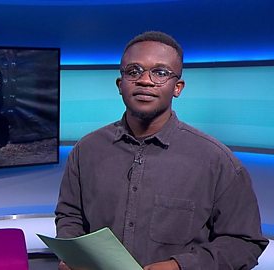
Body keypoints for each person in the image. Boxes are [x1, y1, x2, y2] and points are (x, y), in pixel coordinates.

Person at [55, 31, 268, 270]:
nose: (145, 80)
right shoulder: (86, 150)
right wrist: (73, 255)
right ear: (120, 84)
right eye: (133, 71)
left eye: (160, 73)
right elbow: (70, 215)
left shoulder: (218, 162)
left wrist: (180, 267)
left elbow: (244, 242)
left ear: (177, 87)